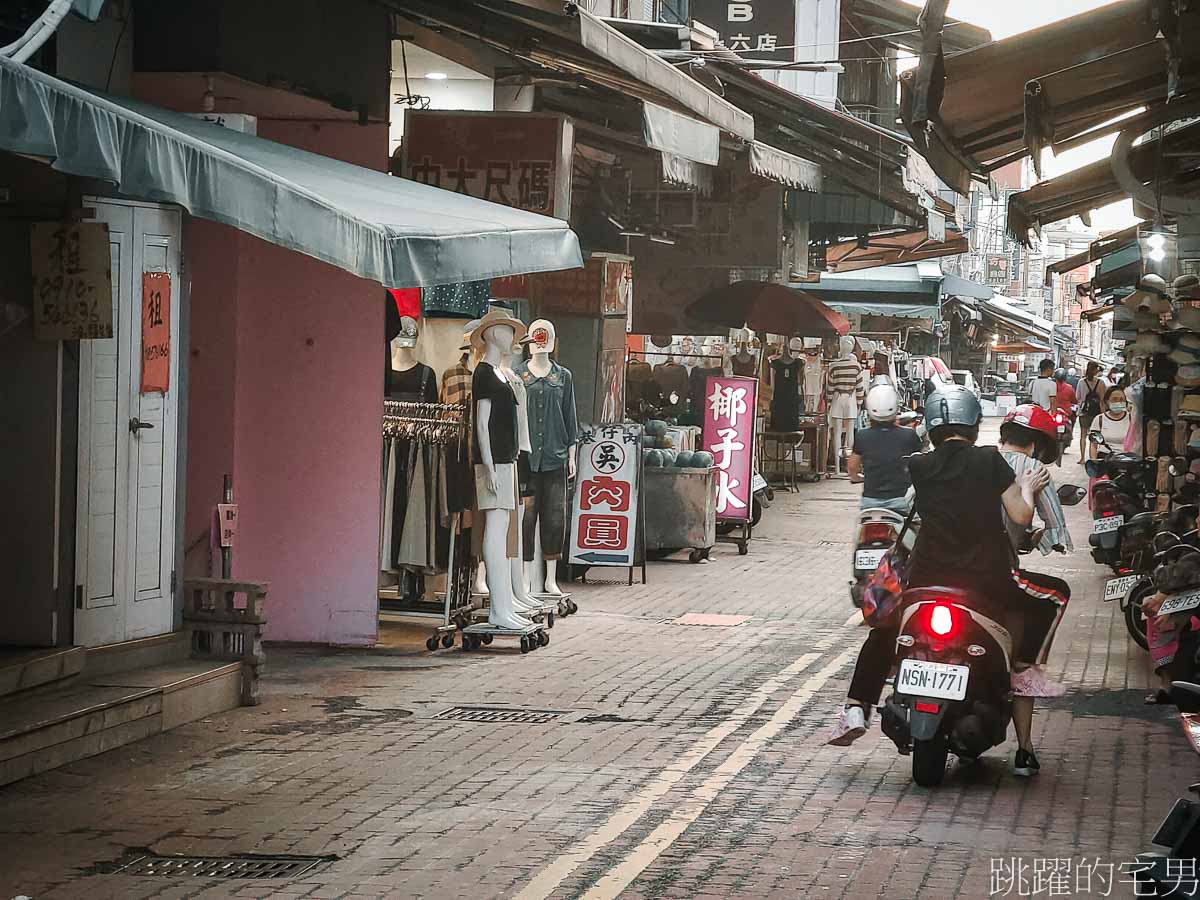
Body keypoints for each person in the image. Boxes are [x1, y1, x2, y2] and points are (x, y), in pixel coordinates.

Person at [828, 386, 1066, 778]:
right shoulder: (991, 461)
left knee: (886, 629)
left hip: (925, 579)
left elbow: (910, 512)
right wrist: (1027, 488)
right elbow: (1022, 518)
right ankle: (1024, 669)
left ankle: (856, 706)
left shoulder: (920, 466)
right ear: (974, 424)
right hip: (985, 581)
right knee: (1055, 593)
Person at [848, 382, 922, 512]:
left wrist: (857, 477)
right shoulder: (909, 435)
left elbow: (852, 467)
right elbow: (920, 464)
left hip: (870, 502)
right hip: (901, 500)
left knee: (860, 529)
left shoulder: (862, 435)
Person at [1088, 386, 1131, 459]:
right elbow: (1093, 445)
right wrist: (1094, 462)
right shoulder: (1099, 419)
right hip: (1105, 459)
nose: (1118, 402)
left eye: (1121, 399)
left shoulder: (1132, 419)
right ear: (1107, 401)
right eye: (1114, 399)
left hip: (1127, 460)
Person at [1076, 362, 1106, 463]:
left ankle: (1082, 458)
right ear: (1096, 370)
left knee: (1083, 435)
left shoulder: (1081, 382)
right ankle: (1093, 457)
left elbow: (1078, 397)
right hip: (1096, 413)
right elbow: (1103, 400)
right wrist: (1103, 414)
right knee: (1095, 436)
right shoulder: (1101, 383)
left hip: (1084, 412)